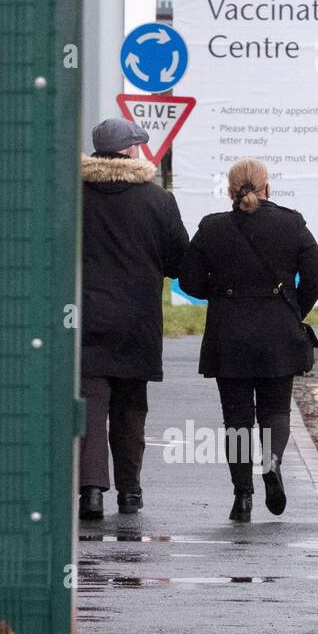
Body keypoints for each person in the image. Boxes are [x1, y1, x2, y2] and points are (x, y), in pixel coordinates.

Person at [178, 159, 318, 523]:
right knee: (276, 411)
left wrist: (218, 292)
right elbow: (317, 275)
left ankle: (242, 497)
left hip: (229, 333)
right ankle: (271, 463)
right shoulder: (292, 223)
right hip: (278, 331)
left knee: (237, 419)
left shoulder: (211, 228)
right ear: (267, 188)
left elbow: (188, 281)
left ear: (229, 191)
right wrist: (294, 309)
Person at [79, 118, 188, 521]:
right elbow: (180, 261)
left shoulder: (74, 197)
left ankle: (91, 492)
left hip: (86, 316)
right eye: (139, 146)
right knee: (130, 409)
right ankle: (129, 493)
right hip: (138, 320)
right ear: (128, 152)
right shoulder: (158, 201)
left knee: (90, 405)